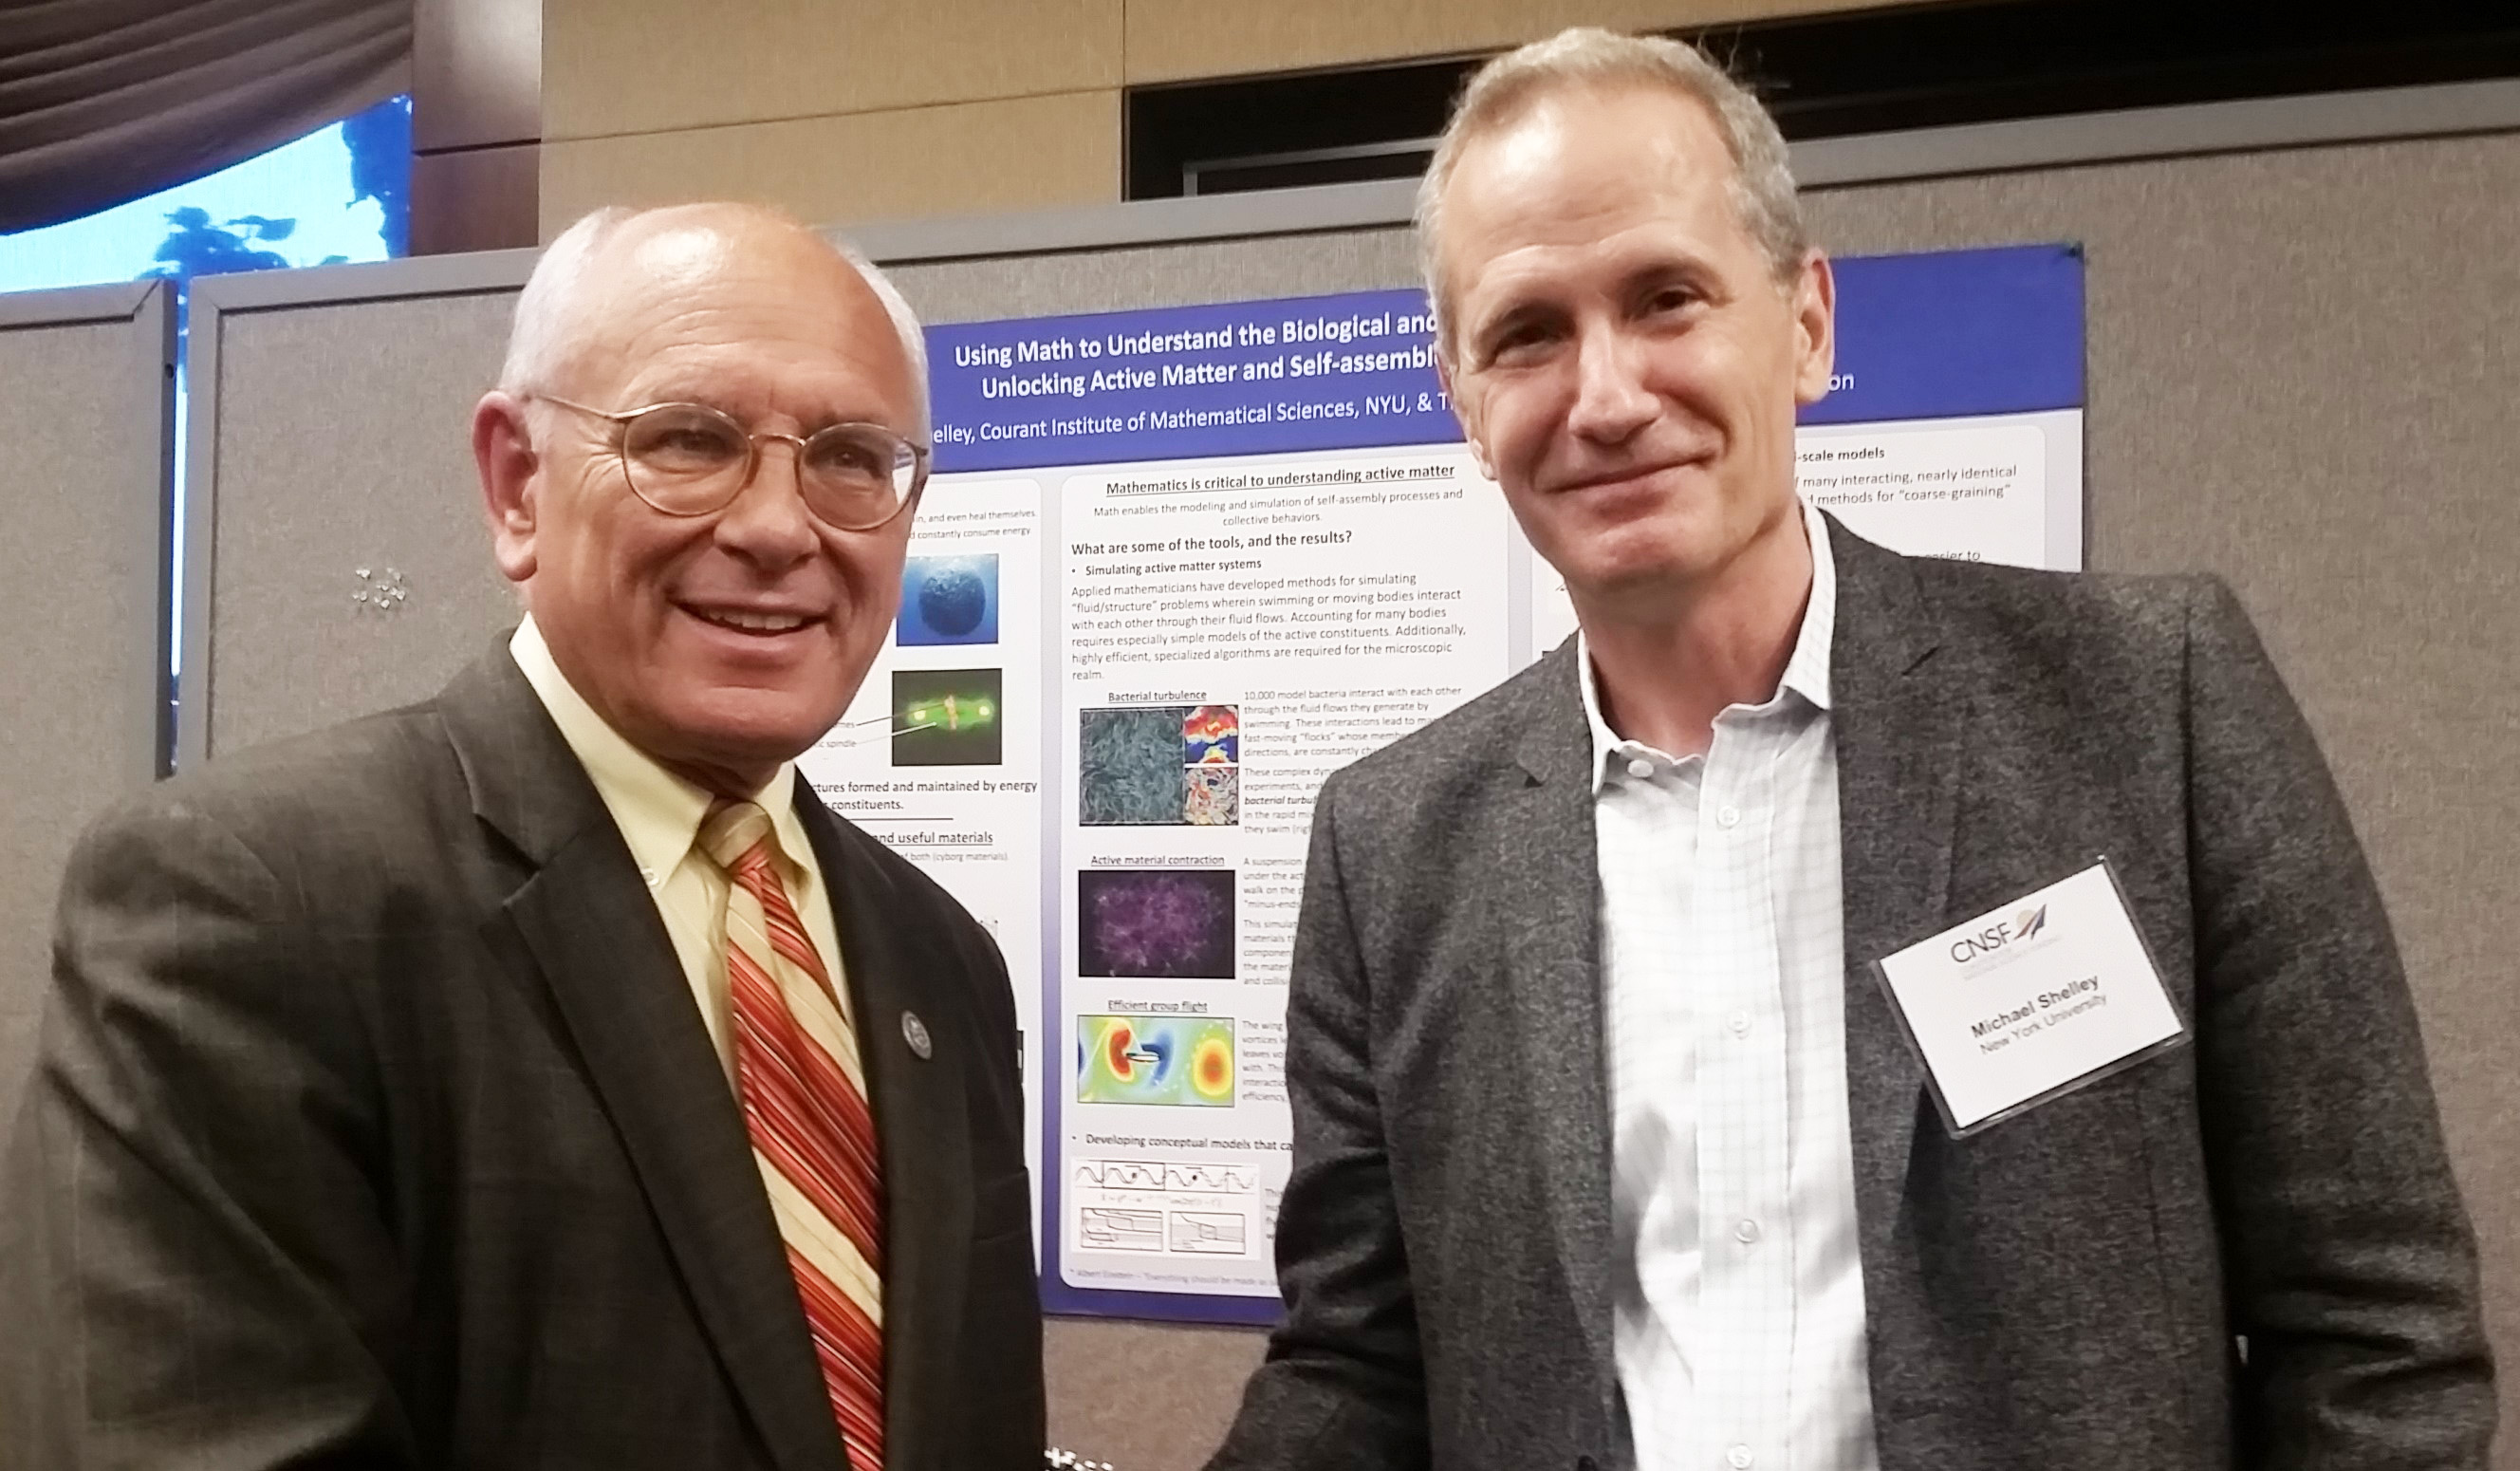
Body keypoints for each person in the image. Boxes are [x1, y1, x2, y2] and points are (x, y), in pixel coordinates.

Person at [1209, 28, 2493, 1471]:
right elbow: (1361, 1362)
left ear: (1806, 324)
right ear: (1463, 397)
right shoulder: (1393, 846)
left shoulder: (2145, 705)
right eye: (1528, 333)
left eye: (1667, 297)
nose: (1609, 392)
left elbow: (2378, 1332)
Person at [0, 203, 1044, 1471]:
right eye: (692, 439)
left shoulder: (941, 960)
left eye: (850, 458)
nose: (780, 526)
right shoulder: (252, 908)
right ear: (516, 485)